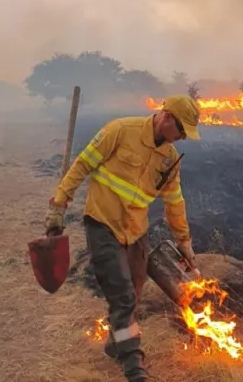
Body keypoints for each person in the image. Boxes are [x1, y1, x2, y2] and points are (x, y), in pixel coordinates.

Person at [44, 95, 200, 382]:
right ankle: (133, 366)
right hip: (102, 223)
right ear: (166, 118)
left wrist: (185, 242)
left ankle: (116, 345)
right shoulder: (120, 130)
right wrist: (58, 206)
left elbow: (174, 202)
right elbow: (81, 166)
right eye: (181, 131)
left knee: (133, 295)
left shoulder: (169, 157)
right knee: (124, 297)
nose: (182, 138)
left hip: (136, 230)